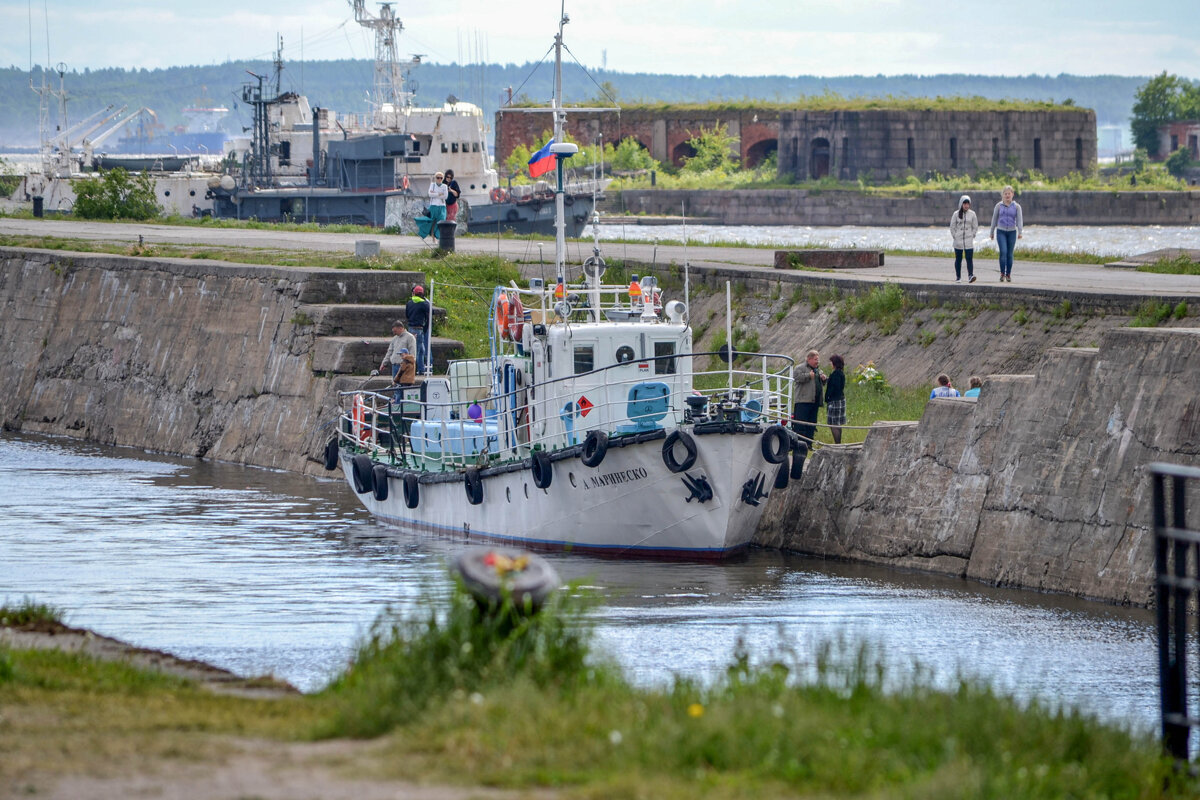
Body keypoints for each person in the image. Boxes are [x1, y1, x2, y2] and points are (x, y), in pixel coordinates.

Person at [791, 349, 826, 477]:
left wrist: (823, 378)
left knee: (812, 423)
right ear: (809, 359)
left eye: (818, 359)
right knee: (801, 424)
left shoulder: (818, 370)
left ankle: (809, 444)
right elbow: (797, 378)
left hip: (814, 401)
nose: (818, 361)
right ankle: (800, 445)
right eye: (816, 359)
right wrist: (808, 376)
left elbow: (821, 381)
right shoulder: (800, 368)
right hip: (803, 400)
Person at [989, 185, 1023, 283]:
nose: (1007, 195)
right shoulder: (998, 206)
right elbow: (994, 219)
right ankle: (1002, 273)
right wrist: (991, 232)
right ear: (1002, 195)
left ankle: (1008, 274)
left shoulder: (1017, 207)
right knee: (1003, 252)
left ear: (1012, 194)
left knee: (1009, 254)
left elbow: (1020, 220)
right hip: (1001, 231)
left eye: (1009, 193)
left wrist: (1020, 232)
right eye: (1005, 194)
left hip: (1012, 232)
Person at [949, 194, 978, 283]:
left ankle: (970, 275)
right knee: (958, 259)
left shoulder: (972, 214)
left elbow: (975, 226)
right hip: (958, 241)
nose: (966, 205)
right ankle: (958, 277)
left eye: (967, 204)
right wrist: (955, 236)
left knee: (969, 258)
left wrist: (972, 235)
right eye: (964, 203)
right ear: (961, 204)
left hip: (968, 240)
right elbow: (952, 227)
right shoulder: (956, 214)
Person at [406, 285, 431, 376]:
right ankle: (413, 370)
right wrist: (425, 328)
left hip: (410, 328)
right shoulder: (424, 304)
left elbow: (407, 315)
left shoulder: (409, 303)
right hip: (419, 329)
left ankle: (421, 369)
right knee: (417, 350)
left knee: (420, 350)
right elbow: (428, 317)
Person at [824, 354, 846, 444]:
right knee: (837, 423)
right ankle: (838, 443)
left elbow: (834, 387)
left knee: (833, 423)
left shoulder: (836, 374)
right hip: (840, 399)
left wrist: (828, 397)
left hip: (835, 401)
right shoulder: (841, 373)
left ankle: (837, 443)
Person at [425, 171, 449, 236]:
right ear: (435, 178)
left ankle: (438, 236)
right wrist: (439, 194)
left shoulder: (444, 186)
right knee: (433, 222)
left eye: (441, 178)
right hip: (433, 205)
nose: (439, 179)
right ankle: (434, 236)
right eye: (438, 178)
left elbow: (445, 196)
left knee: (442, 220)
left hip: (442, 206)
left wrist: (434, 193)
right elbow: (430, 194)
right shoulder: (432, 185)